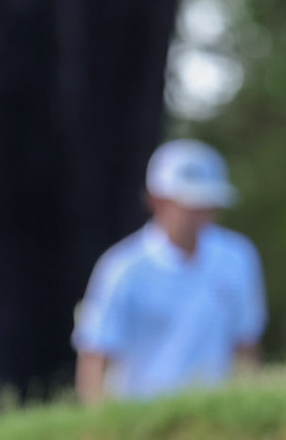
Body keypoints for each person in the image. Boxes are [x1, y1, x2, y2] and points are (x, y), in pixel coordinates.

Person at [72, 139, 266, 403]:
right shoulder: (121, 268)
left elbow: (245, 346)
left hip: (216, 419)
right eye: (190, 204)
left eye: (208, 205)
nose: (201, 214)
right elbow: (95, 356)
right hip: (138, 424)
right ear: (157, 201)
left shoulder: (238, 257)